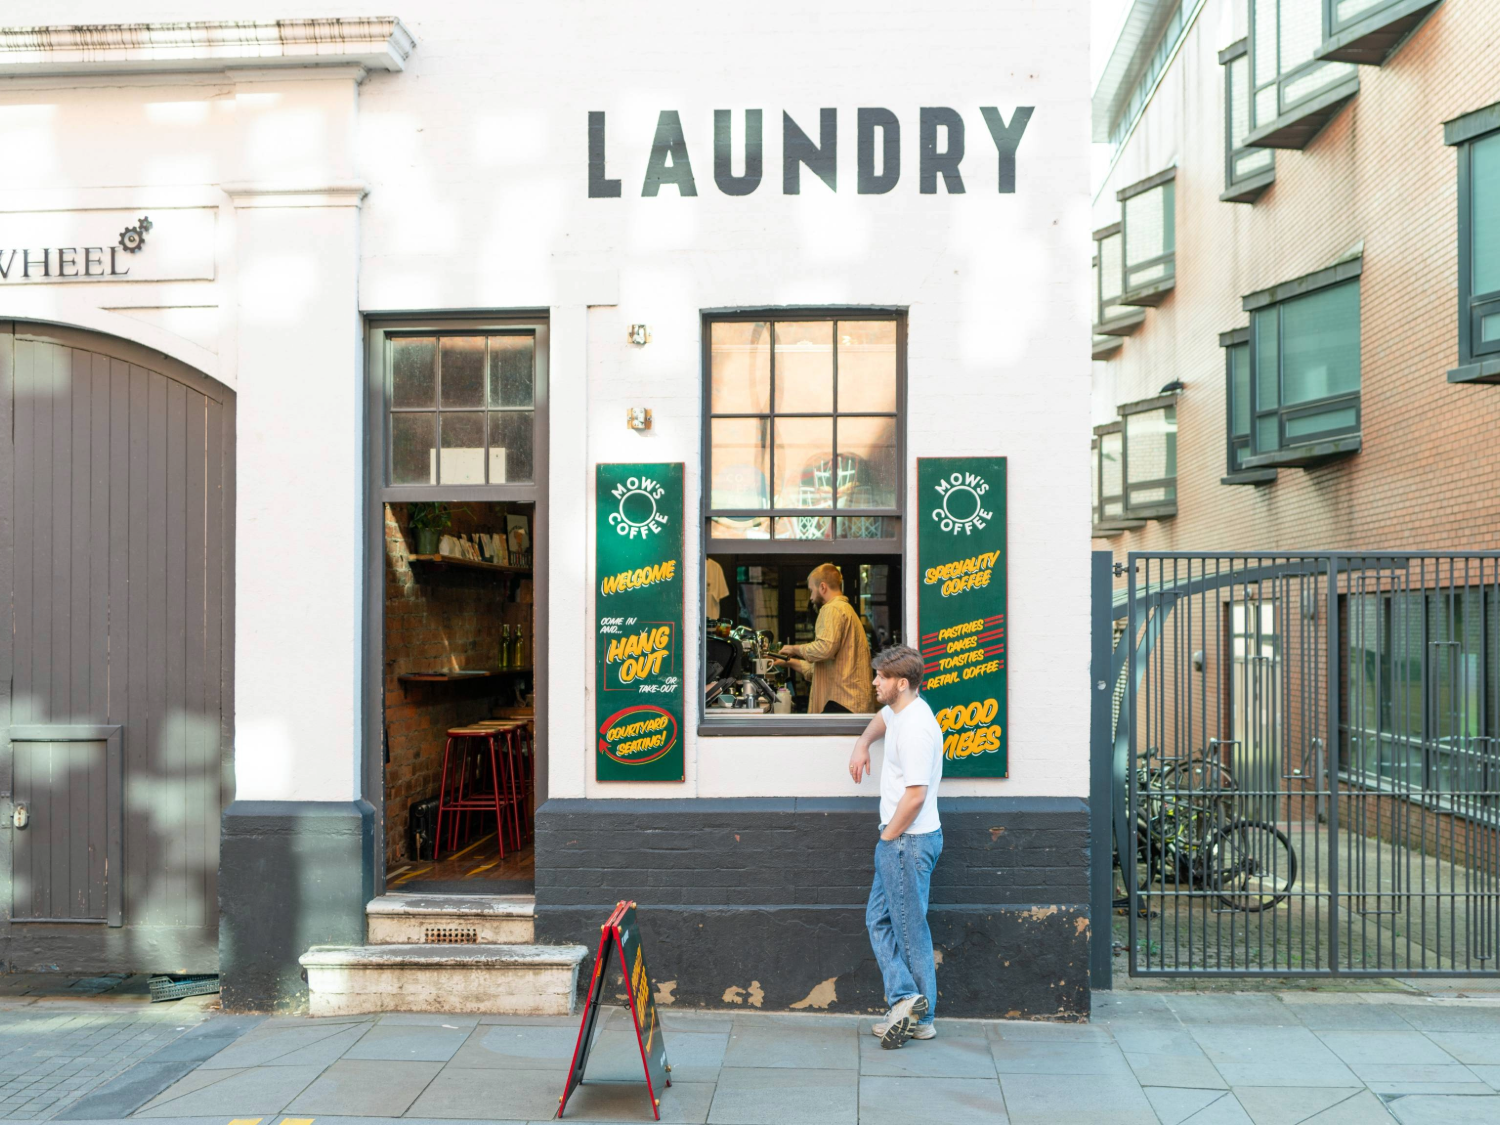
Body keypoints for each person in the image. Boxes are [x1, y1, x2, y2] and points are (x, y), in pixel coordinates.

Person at [847, 644, 943, 1048]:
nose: (874, 683)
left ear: (900, 683)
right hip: (901, 839)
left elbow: (916, 795)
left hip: (906, 840)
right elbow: (882, 719)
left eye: (881, 678)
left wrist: (888, 839)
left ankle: (917, 1013)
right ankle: (908, 1002)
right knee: (880, 920)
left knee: (909, 931)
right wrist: (861, 743)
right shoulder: (900, 712)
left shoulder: (918, 729)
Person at [775, 563, 875, 714]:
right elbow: (821, 669)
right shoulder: (846, 610)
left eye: (811, 590)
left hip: (841, 703)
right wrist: (788, 662)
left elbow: (824, 650)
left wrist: (793, 649)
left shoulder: (831, 609)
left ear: (822, 587)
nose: (810, 597)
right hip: (849, 703)